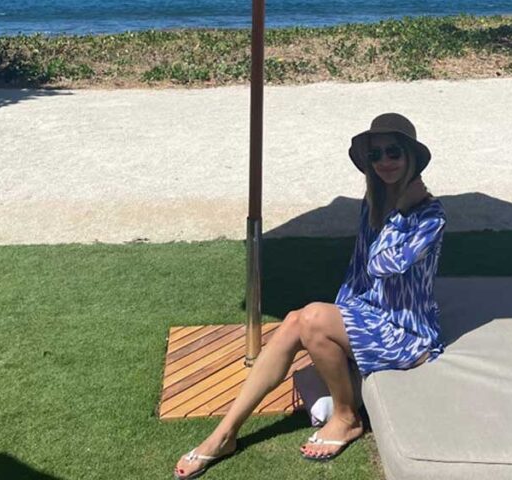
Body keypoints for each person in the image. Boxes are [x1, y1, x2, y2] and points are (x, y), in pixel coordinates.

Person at [174, 112, 446, 477]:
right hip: (372, 315)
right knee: (295, 322)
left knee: (314, 319)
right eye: (375, 155)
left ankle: (347, 418)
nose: (384, 162)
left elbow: (383, 264)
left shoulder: (430, 215)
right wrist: (343, 314)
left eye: (393, 152)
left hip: (407, 334)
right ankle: (225, 432)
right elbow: (359, 270)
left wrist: (400, 211)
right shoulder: (374, 202)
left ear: (411, 156)